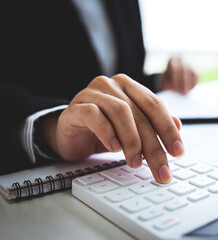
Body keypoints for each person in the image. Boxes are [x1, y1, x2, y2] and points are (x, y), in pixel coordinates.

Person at [0, 0, 198, 183]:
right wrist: (51, 128)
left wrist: (160, 81)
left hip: (114, 162)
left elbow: (126, 75)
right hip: (42, 171)